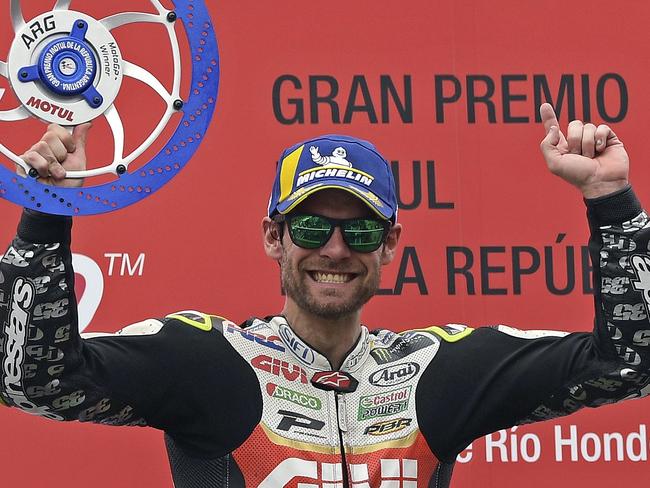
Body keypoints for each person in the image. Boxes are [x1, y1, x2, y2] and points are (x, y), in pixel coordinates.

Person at [1, 103, 648, 488]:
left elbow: (628, 363)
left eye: (359, 228)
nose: (334, 249)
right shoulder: (207, 360)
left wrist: (611, 201)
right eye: (311, 226)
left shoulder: (438, 368)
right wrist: (45, 213)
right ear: (273, 237)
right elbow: (32, 380)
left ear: (389, 243)